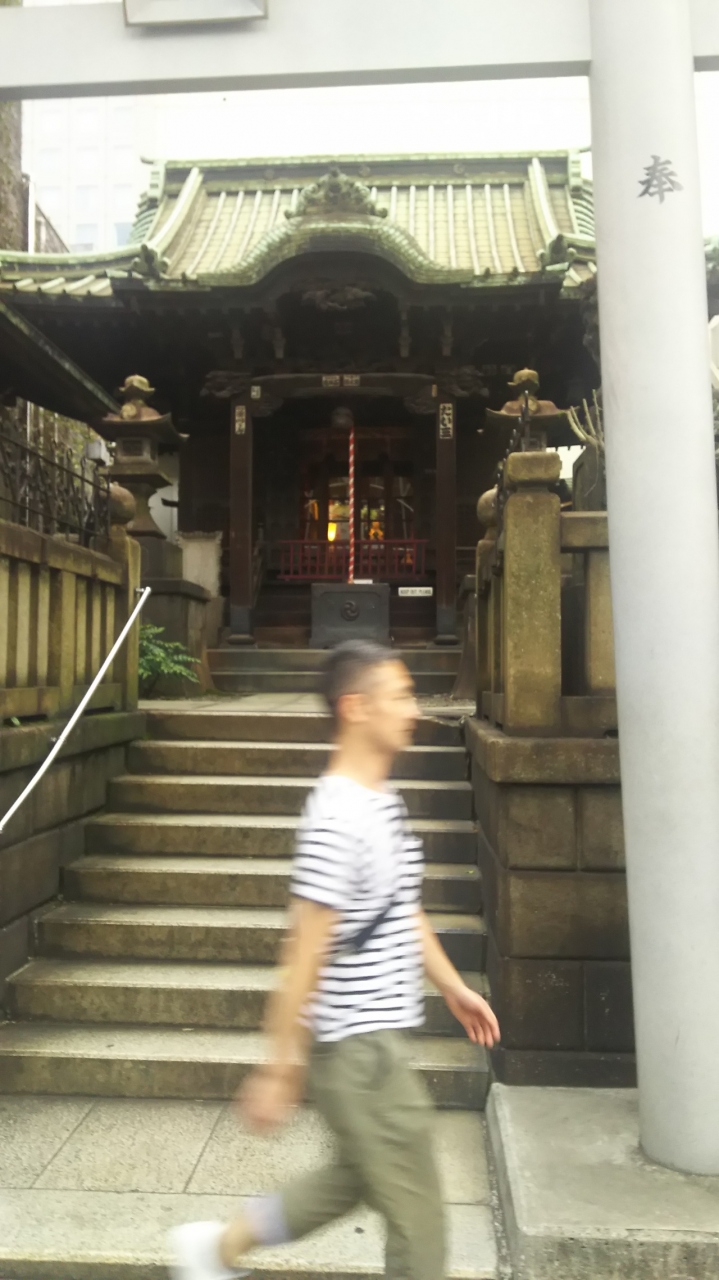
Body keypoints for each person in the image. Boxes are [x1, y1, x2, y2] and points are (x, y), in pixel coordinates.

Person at [169, 640, 500, 1280]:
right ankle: (214, 1251)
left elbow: (401, 909)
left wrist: (453, 988)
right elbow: (305, 947)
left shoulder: (380, 802)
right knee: (419, 1218)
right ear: (356, 707)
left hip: (373, 1042)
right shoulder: (338, 818)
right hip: (354, 1048)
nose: (413, 709)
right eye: (400, 696)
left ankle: (216, 1250)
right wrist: (279, 1066)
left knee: (353, 1178)